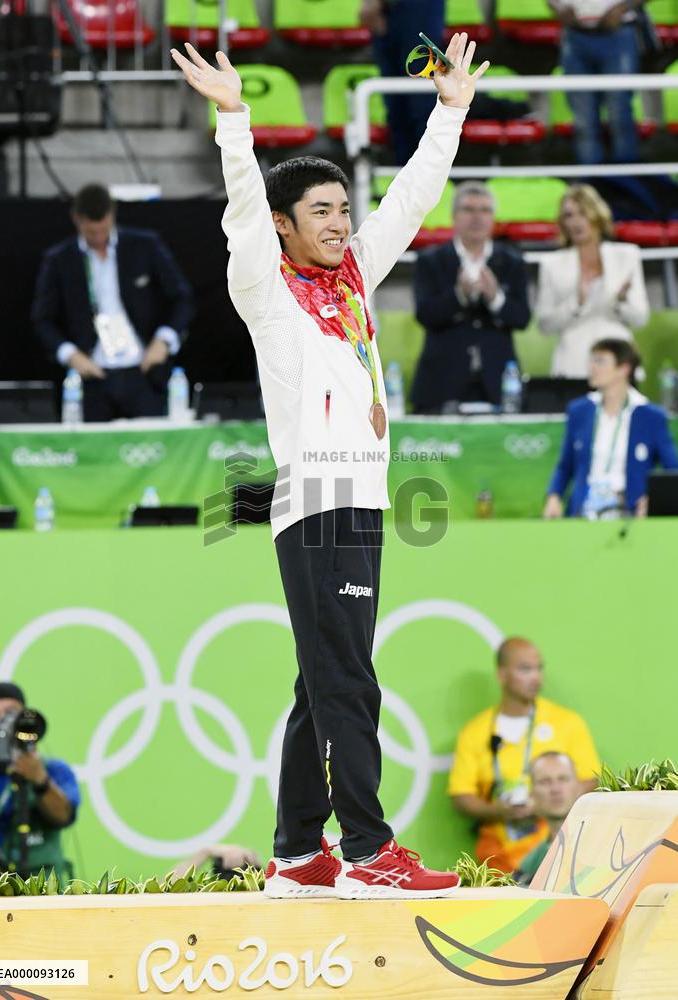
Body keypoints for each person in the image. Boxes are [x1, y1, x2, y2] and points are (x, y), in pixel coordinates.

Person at [171, 35, 488, 899]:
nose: (342, 222)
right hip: (315, 508)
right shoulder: (266, 293)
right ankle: (367, 850)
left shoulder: (354, 276)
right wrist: (233, 121)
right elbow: (241, 210)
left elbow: (414, 199)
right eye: (321, 211)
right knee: (348, 680)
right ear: (286, 223)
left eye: (344, 207)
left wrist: (450, 109)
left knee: (322, 683)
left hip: (364, 502)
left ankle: (298, 852)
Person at [32, 184, 195, 421]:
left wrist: (164, 340)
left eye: (104, 230)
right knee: (95, 451)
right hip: (93, 375)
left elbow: (183, 298)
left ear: (112, 215)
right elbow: (42, 319)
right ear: (76, 219)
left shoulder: (144, 246)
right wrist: (71, 355)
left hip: (143, 370)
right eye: (91, 233)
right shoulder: (59, 260)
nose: (98, 238)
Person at [448, 637, 600, 873]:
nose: (536, 677)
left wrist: (547, 803)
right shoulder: (474, 731)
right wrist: (498, 811)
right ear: (502, 675)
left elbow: (590, 780)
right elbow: (461, 795)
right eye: (525, 669)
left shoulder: (568, 722)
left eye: (539, 668)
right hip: (497, 861)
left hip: (557, 856)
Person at [411, 181, 531, 413]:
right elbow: (424, 314)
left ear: (493, 218)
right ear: (454, 216)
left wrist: (496, 297)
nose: (477, 217)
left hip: (498, 383)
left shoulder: (512, 261)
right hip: (441, 383)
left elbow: (522, 318)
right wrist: (459, 295)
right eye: (469, 209)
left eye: (485, 210)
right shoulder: (430, 261)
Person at [543, 339, 678, 519]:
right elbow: (565, 465)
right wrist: (554, 496)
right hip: (585, 508)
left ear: (624, 369)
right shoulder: (579, 411)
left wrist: (652, 500)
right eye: (592, 360)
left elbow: (672, 470)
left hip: (630, 512)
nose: (592, 367)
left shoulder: (651, 416)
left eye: (601, 361)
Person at [536, 184, 649, 378]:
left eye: (582, 213)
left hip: (618, 362)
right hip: (572, 365)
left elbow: (640, 319)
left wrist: (621, 301)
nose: (575, 222)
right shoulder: (551, 264)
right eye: (568, 216)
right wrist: (575, 303)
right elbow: (544, 325)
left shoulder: (627, 255)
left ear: (596, 215)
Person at [0, 682, 80, 880]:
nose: (1, 723)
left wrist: (39, 779)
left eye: (10, 713)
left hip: (41, 887)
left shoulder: (53, 769)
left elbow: (64, 816)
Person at [547, 0, 643, 166]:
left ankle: (627, 186)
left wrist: (624, 7)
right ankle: (590, 185)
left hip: (617, 31)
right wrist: (559, 8)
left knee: (620, 114)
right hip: (575, 32)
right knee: (583, 119)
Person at [359, 0, 445, 165]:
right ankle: (407, 177)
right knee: (397, 108)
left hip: (417, 7)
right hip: (388, 10)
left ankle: (429, 178)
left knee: (422, 107)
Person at [515, 752, 582, 886]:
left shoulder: (602, 845)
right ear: (532, 794)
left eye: (563, 779)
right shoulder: (530, 863)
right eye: (545, 782)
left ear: (578, 787)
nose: (555, 789)